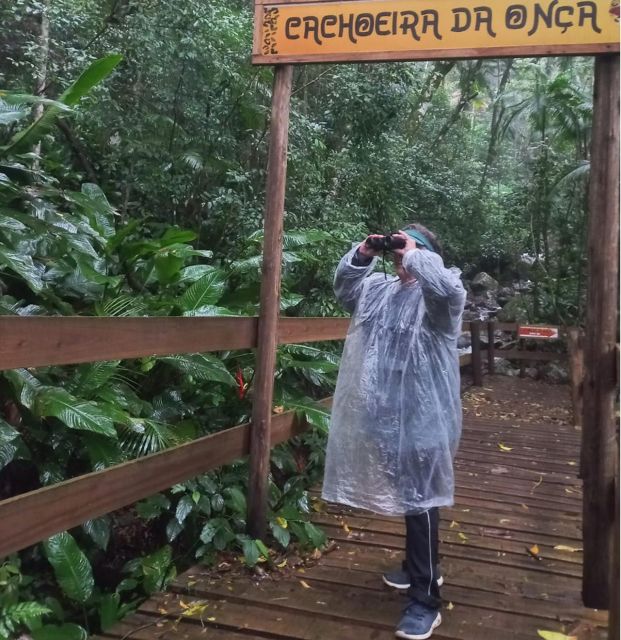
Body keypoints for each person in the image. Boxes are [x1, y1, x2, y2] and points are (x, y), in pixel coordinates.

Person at [322, 224, 466, 640]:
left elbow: (448, 290)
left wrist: (414, 254)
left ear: (428, 256)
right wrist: (365, 252)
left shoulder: (439, 295)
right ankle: (417, 567)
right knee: (409, 494)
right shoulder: (380, 291)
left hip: (423, 420)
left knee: (420, 501)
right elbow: (346, 288)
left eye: (411, 248)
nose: (400, 256)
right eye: (397, 248)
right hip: (385, 414)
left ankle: (425, 600)